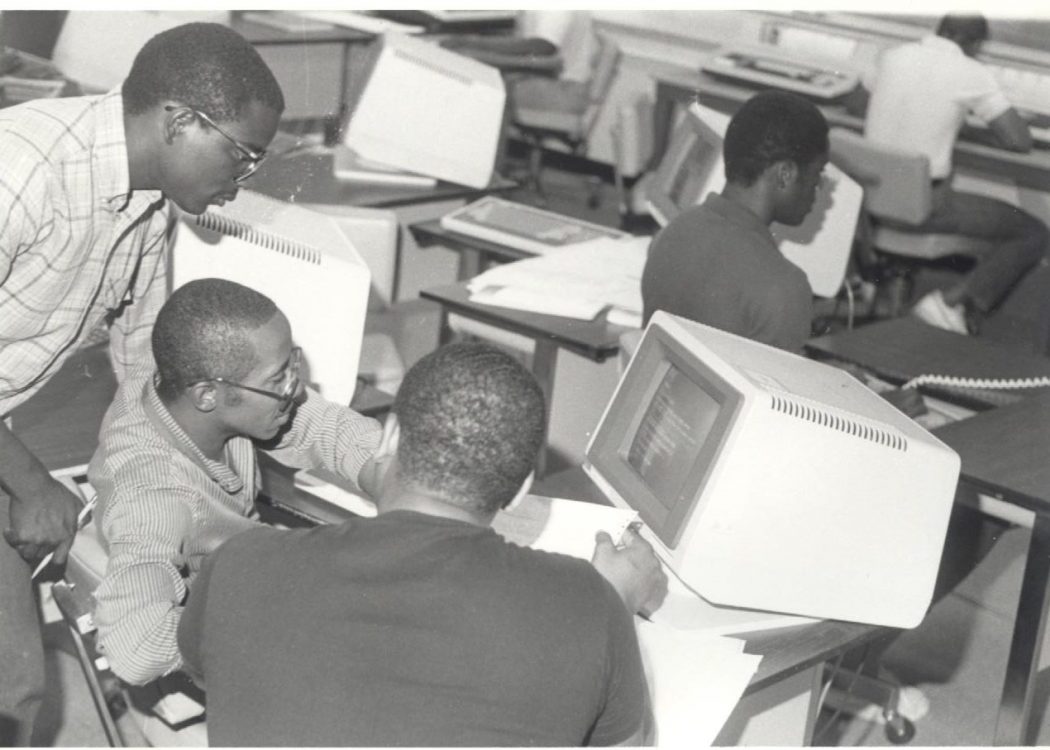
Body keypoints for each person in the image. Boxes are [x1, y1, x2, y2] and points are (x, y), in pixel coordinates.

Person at [0, 22, 283, 744]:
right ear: (181, 121)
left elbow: (144, 374)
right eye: (242, 154)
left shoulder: (147, 203)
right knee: (15, 684)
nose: (242, 180)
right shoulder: (21, 168)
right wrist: (32, 487)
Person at [178, 341, 667, 747]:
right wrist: (613, 604)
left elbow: (211, 672)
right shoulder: (587, 605)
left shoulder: (238, 563)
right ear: (520, 491)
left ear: (389, 436)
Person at [88, 278, 387, 687]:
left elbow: (326, 427)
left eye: (292, 366)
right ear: (208, 395)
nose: (295, 388)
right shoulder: (155, 496)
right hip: (219, 603)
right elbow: (136, 649)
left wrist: (390, 476)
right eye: (278, 379)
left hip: (241, 561)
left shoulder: (180, 375)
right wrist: (265, 618)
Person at [858, 13, 1049, 335]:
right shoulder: (971, 71)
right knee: (1034, 233)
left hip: (871, 204)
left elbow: (855, 103)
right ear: (973, 43)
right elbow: (1019, 141)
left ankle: (887, 288)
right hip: (923, 209)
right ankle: (950, 302)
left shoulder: (893, 56)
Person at [641, 90, 828, 352]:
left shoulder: (671, 233)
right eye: (817, 175)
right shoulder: (785, 287)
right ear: (785, 174)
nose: (818, 189)